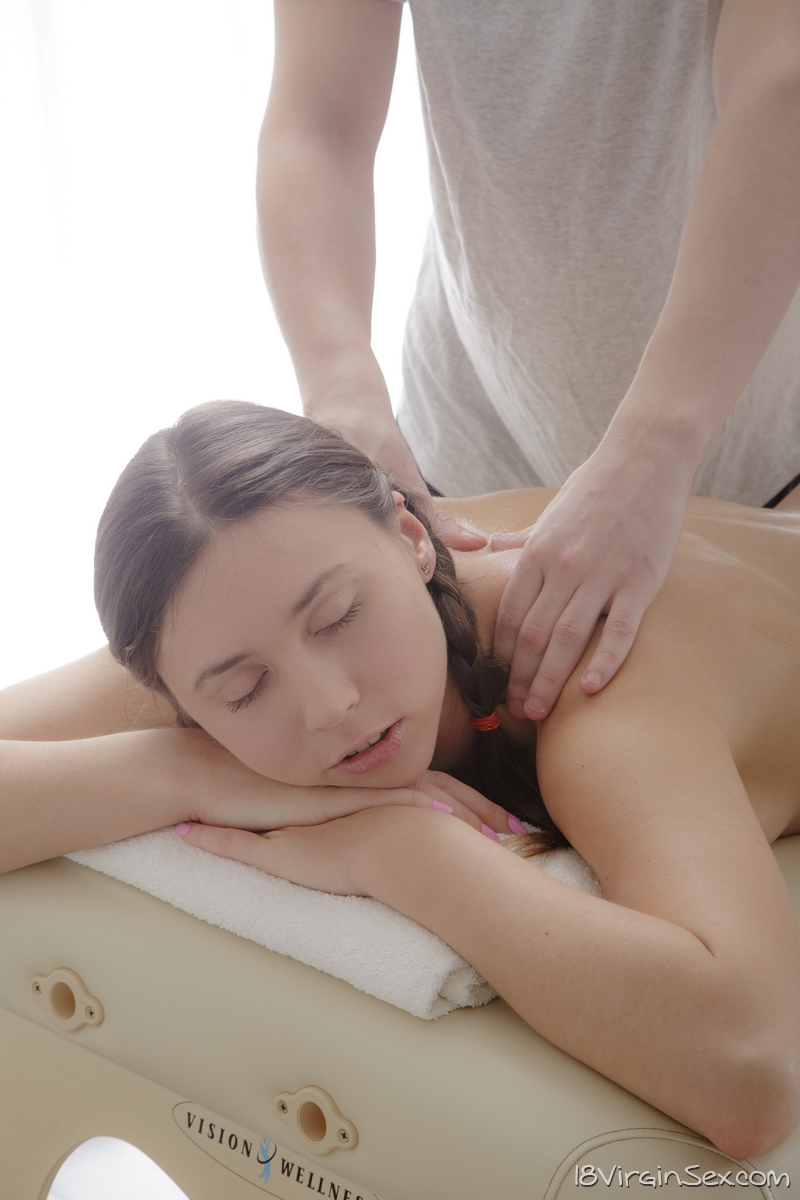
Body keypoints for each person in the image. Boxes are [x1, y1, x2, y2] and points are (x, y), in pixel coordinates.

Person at [2, 400, 800, 1157]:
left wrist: (406, 853)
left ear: (414, 536)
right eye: (245, 693)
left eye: (340, 618)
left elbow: (751, 1074)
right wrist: (185, 770)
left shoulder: (588, 673)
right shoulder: (226, 607)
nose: (330, 706)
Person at [256, 0, 800, 722]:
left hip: (752, 444)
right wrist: (342, 398)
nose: (332, 709)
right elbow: (317, 123)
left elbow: (781, 85)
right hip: (463, 441)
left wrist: (658, 443)